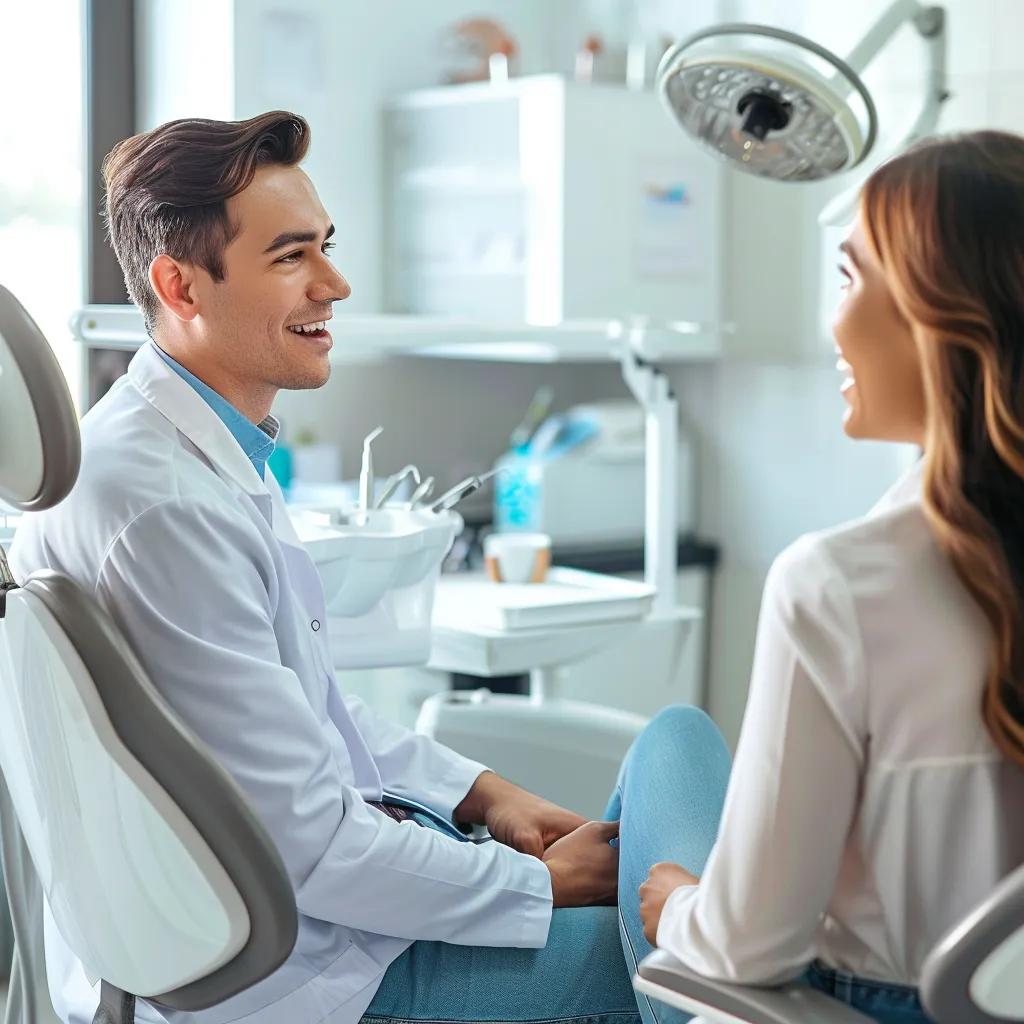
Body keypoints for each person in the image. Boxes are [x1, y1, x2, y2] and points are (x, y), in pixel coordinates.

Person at [10, 110, 729, 1024]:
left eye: (326, 246)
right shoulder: (164, 511)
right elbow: (314, 848)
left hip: (316, 927)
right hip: (313, 982)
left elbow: (302, 716)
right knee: (683, 962)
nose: (335, 283)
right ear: (179, 285)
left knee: (676, 744)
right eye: (291, 256)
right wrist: (537, 884)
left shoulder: (173, 452)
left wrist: (481, 795)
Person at [627, 132, 1024, 1024]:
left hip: (861, 1008)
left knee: (669, 751)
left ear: (941, 318)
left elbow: (748, 948)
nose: (832, 323)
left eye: (850, 279)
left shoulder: (842, 585)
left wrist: (676, 906)